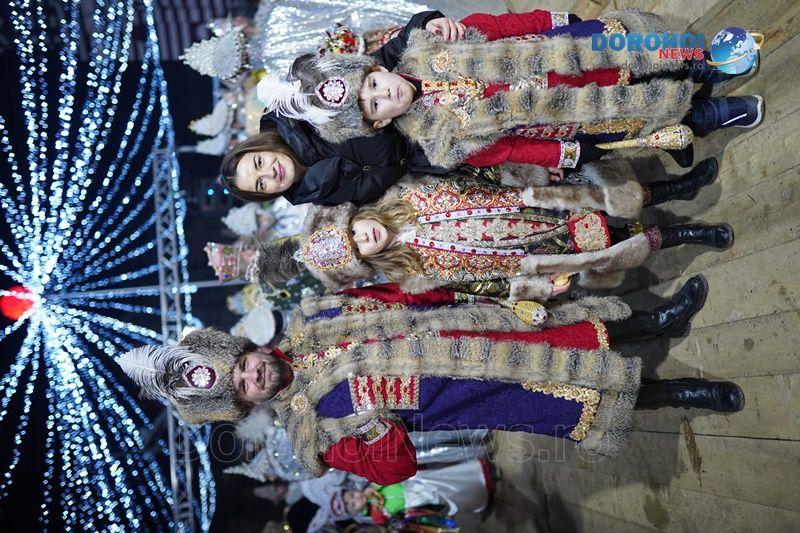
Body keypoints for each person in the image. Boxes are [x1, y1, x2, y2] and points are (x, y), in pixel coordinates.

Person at [117, 278, 743, 486]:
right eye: (242, 385)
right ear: (243, 401)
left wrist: (461, 291)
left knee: (569, 328)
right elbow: (396, 470)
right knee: (576, 394)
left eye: (242, 363)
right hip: (486, 391)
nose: (252, 374)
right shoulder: (316, 431)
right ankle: (682, 395)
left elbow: (395, 295)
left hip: (477, 325)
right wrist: (373, 429)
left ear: (246, 348)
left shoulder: (315, 318)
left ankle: (659, 319)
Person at [258, 9, 763, 170]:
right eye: (373, 105)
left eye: (373, 83)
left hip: (566, 52)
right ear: (380, 121)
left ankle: (708, 65)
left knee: (640, 53)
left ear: (375, 66)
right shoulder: (440, 141)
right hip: (567, 112)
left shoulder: (432, 44)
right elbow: (506, 150)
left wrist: (555, 21)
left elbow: (498, 25)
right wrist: (561, 154)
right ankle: (715, 112)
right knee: (641, 110)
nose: (383, 94)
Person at [257, 168, 730, 297]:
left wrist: (526, 173)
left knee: (609, 200)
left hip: (533, 201)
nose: (366, 240)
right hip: (535, 250)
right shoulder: (411, 272)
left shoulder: (407, 191)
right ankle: (685, 235)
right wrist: (534, 286)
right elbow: (477, 285)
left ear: (356, 217)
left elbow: (467, 175)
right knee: (612, 243)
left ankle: (678, 188)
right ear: (364, 262)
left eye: (356, 233)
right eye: (359, 250)